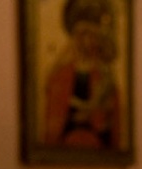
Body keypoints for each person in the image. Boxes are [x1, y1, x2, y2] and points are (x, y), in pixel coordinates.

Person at [43, 0, 120, 149]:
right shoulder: (61, 74)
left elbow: (112, 122)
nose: (89, 41)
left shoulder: (104, 75)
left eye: (93, 35)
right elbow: (53, 122)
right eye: (84, 34)